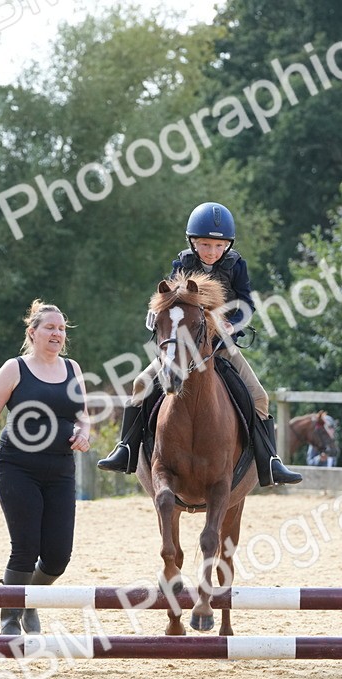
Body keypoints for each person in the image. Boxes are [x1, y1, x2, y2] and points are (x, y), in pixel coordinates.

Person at [97, 201, 302, 486]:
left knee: (259, 396)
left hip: (220, 346)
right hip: (182, 346)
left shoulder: (236, 265)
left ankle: (270, 463)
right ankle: (125, 450)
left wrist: (233, 323)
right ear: (193, 243)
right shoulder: (183, 263)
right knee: (141, 384)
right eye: (206, 245)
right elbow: (168, 298)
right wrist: (155, 312)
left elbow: (246, 304)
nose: (212, 252)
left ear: (228, 247)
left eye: (219, 247)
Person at [0, 300, 91, 636]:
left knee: (58, 556)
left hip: (59, 469)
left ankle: (29, 599)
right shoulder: (15, 369)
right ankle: (10, 615)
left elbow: (83, 414)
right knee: (25, 547)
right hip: (17, 467)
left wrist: (85, 431)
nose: (57, 334)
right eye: (50, 328)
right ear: (33, 332)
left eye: (61, 329)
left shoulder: (73, 370)